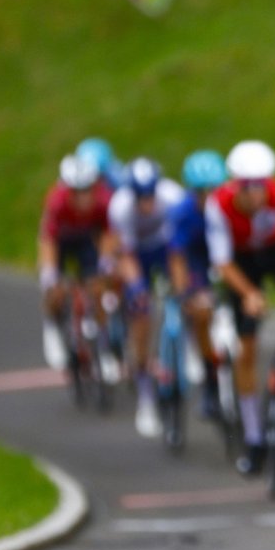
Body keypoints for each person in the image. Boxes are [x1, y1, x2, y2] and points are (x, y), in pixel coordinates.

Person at [205, 140, 275, 476]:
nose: (257, 195)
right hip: (242, 261)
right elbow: (222, 263)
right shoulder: (217, 205)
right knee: (246, 345)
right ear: (235, 185)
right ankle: (253, 436)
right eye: (248, 188)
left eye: (262, 186)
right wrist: (249, 294)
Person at [108, 157, 187, 437]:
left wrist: (184, 286)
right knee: (140, 314)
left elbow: (180, 247)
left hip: (166, 248)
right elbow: (126, 257)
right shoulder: (120, 207)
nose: (147, 202)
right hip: (137, 254)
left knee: (187, 290)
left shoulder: (172, 196)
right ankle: (146, 400)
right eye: (141, 197)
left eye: (150, 195)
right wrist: (138, 289)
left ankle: (187, 348)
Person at [38, 154, 115, 368]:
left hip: (86, 240)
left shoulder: (104, 199)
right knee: (55, 290)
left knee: (98, 288)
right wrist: (49, 272)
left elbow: (108, 233)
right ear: (68, 189)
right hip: (60, 241)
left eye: (87, 190)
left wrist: (106, 260)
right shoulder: (56, 201)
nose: (83, 197)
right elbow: (47, 239)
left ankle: (103, 346)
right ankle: (52, 326)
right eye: (77, 192)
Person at [169, 149, 230, 420]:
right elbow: (178, 257)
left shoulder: (229, 206)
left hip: (223, 258)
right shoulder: (182, 213)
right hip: (197, 262)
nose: (208, 198)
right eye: (201, 192)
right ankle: (210, 377)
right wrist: (186, 293)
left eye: (213, 190)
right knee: (201, 311)